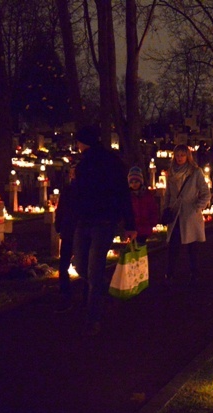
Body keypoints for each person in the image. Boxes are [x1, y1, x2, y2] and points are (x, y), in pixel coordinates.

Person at [73, 125, 137, 336]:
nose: (77, 145)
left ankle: (93, 319)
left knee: (93, 268)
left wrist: (130, 224)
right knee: (82, 266)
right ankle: (105, 290)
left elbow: (122, 193)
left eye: (79, 141)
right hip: (85, 220)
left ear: (85, 142)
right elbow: (78, 193)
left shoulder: (111, 163)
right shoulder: (83, 164)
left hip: (104, 221)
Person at [163, 144, 211, 288]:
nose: (179, 158)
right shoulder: (171, 173)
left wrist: (197, 207)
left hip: (189, 214)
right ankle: (170, 274)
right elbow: (168, 193)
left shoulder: (195, 172)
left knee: (192, 247)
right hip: (175, 213)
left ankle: (194, 273)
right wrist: (166, 208)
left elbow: (205, 192)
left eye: (182, 155)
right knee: (173, 246)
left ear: (188, 156)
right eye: (177, 155)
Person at [53, 161, 82, 313]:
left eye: (75, 172)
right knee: (63, 265)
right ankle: (65, 295)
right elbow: (61, 208)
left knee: (82, 265)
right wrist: (59, 224)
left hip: (80, 230)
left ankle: (84, 295)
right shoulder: (68, 190)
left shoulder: (85, 191)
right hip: (68, 230)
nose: (73, 174)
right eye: (71, 172)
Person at [128, 166, 159, 245]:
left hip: (146, 228)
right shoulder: (128, 197)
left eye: (136, 182)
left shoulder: (147, 195)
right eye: (132, 182)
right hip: (133, 229)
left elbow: (153, 209)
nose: (134, 184)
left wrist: (152, 222)